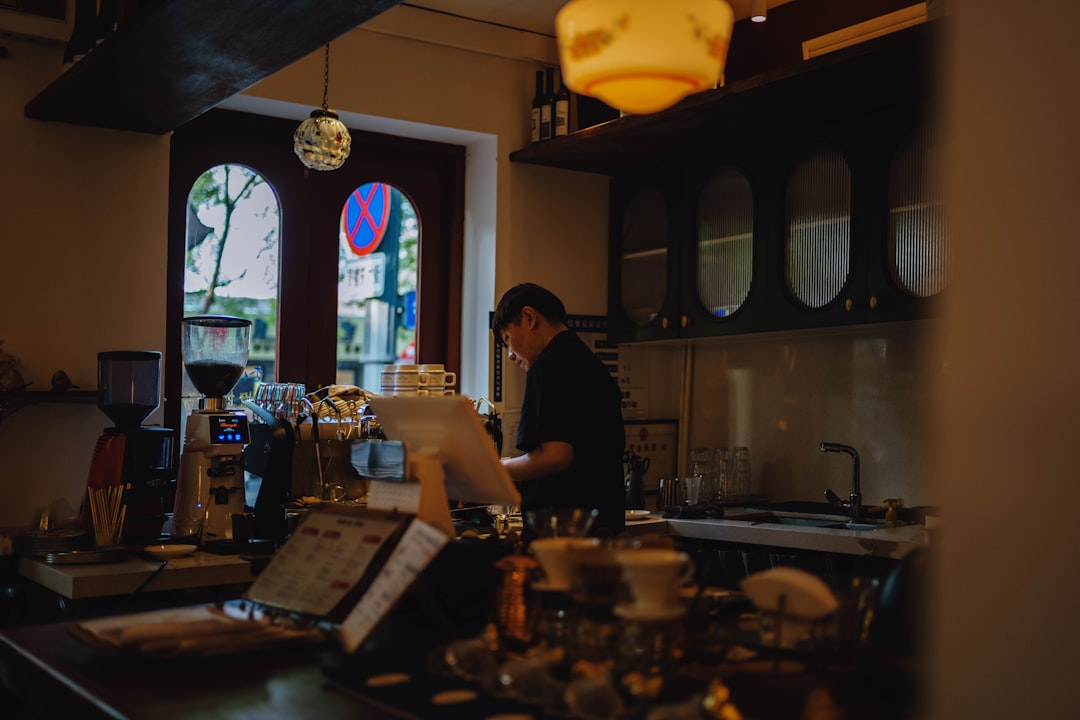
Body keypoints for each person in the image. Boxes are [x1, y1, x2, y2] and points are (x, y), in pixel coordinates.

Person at [493, 283, 626, 537]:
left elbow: (555, 456)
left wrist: (491, 468)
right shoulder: (590, 363)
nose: (510, 355)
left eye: (508, 340)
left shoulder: (546, 367)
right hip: (604, 525)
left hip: (564, 533)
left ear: (529, 318)